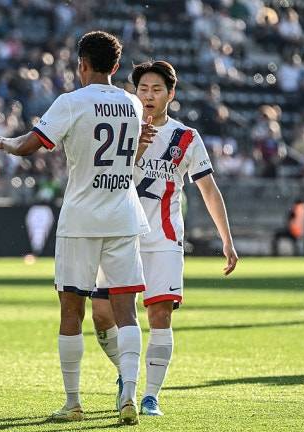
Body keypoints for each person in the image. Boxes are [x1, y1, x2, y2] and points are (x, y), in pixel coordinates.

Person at [0, 31, 156, 425]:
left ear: (82, 65)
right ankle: (129, 394)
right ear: (116, 66)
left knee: (71, 309)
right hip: (124, 216)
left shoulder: (72, 102)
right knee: (126, 312)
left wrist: (5, 143)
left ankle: (73, 402)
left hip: (81, 219)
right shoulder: (133, 103)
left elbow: (30, 145)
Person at [90, 60, 238, 417]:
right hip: (119, 237)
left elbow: (208, 189)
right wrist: (137, 147)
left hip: (164, 240)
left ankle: (150, 396)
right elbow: (103, 177)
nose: (149, 95)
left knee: (160, 315)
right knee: (101, 315)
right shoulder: (119, 129)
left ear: (170, 94)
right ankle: (126, 373)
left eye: (157, 89)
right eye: (143, 89)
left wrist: (227, 239)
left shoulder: (186, 137)